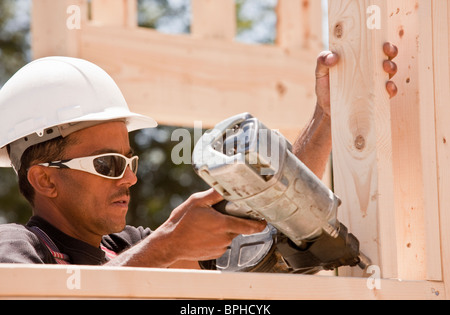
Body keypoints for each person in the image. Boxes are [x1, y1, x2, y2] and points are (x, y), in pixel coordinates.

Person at [0, 44, 398, 267]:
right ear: (45, 179)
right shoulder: (15, 248)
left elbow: (265, 232)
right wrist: (166, 247)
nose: (130, 178)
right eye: (108, 164)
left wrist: (327, 116)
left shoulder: (127, 246)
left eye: (130, 161)